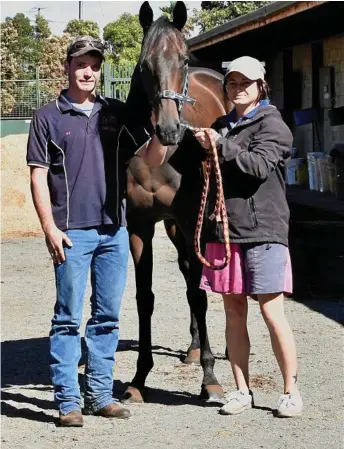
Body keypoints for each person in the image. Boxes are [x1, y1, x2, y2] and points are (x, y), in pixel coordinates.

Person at [26, 36, 167, 427]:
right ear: (67, 68)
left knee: (106, 318)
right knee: (67, 319)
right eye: (81, 64)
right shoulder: (47, 117)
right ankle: (68, 401)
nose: (88, 71)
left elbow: (151, 159)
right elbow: (38, 177)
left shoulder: (116, 114)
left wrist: (163, 133)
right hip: (71, 233)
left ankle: (100, 395)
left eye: (94, 64)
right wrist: (50, 228)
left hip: (113, 232)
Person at [194, 56, 303, 418]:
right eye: (232, 83)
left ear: (261, 86)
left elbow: (257, 166)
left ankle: (290, 390)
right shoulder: (221, 124)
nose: (238, 88)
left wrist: (220, 145)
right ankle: (242, 390)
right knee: (232, 312)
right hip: (225, 233)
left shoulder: (274, 125)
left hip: (264, 231)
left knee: (272, 312)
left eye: (245, 82)